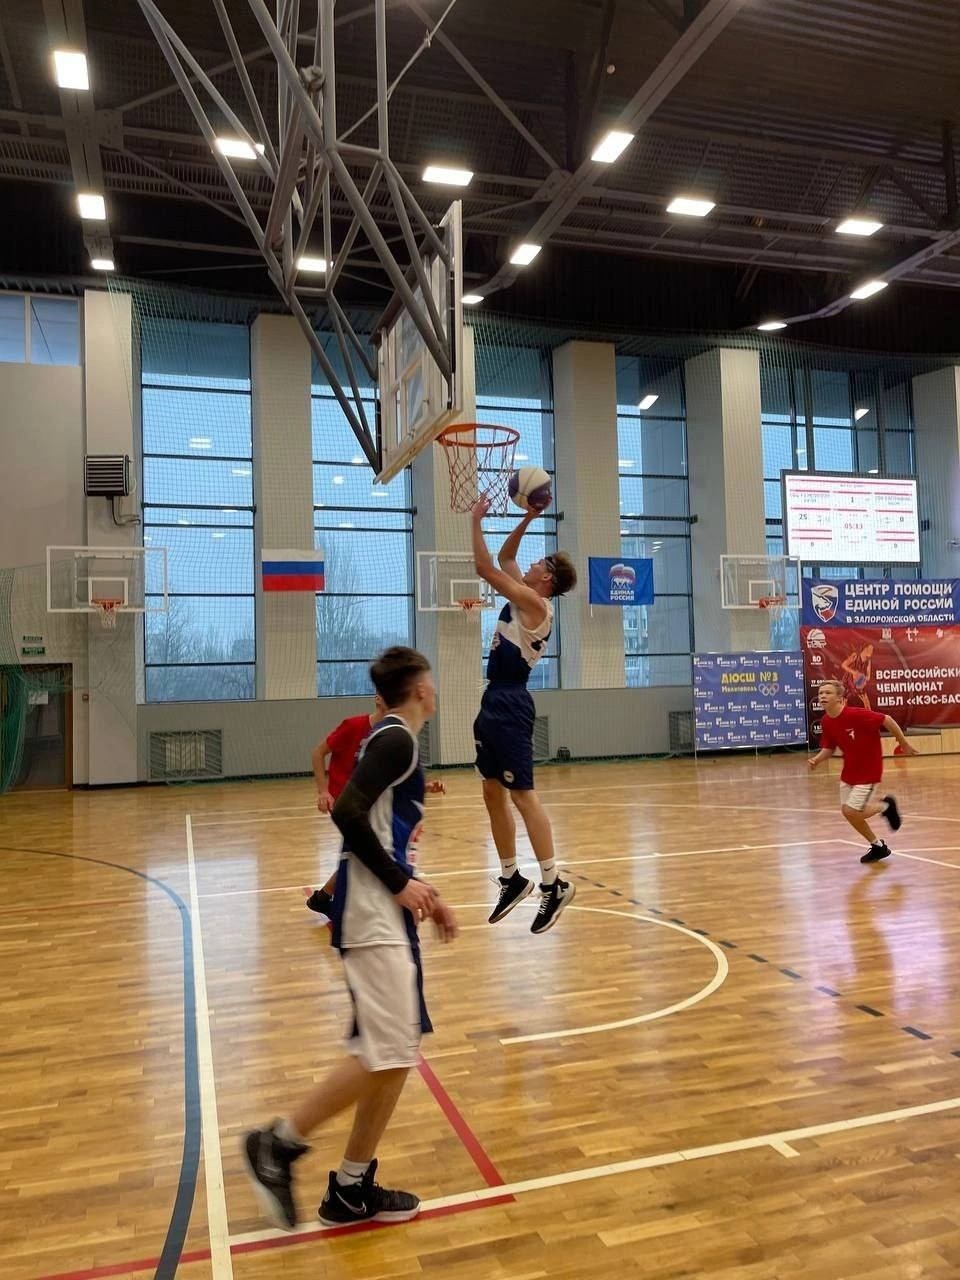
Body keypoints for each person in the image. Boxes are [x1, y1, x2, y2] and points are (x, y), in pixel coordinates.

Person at [243, 647, 458, 1230]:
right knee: (386, 1051)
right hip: (370, 914)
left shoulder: (391, 739)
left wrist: (421, 889)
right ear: (419, 691)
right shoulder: (397, 739)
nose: (435, 691)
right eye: (432, 683)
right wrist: (398, 883)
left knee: (396, 1049)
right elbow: (348, 813)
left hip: (384, 911)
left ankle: (351, 1187)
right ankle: (277, 1144)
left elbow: (380, 830)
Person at [470, 494, 578, 934]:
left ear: (547, 578)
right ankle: (512, 877)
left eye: (539, 563)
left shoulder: (537, 606)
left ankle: (554, 883)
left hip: (512, 701)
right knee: (492, 792)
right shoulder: (525, 595)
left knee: (522, 795)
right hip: (493, 699)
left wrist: (475, 521)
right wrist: (529, 517)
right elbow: (506, 558)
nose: (529, 564)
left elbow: (485, 567)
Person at [305, 698, 445, 917]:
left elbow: (386, 781)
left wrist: (423, 787)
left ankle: (323, 898)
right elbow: (318, 753)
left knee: (359, 852)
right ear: (378, 698)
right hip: (346, 803)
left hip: (369, 802)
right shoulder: (353, 726)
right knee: (366, 850)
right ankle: (339, 900)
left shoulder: (391, 734)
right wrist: (323, 791)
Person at [808, 678, 918, 863]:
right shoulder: (826, 721)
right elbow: (829, 748)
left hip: (869, 771)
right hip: (849, 772)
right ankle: (878, 846)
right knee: (848, 813)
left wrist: (903, 743)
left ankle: (886, 806)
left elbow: (887, 719)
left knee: (851, 811)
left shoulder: (855, 715)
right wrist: (817, 759)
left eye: (828, 693)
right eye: (820, 693)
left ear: (839, 698)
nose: (823, 696)